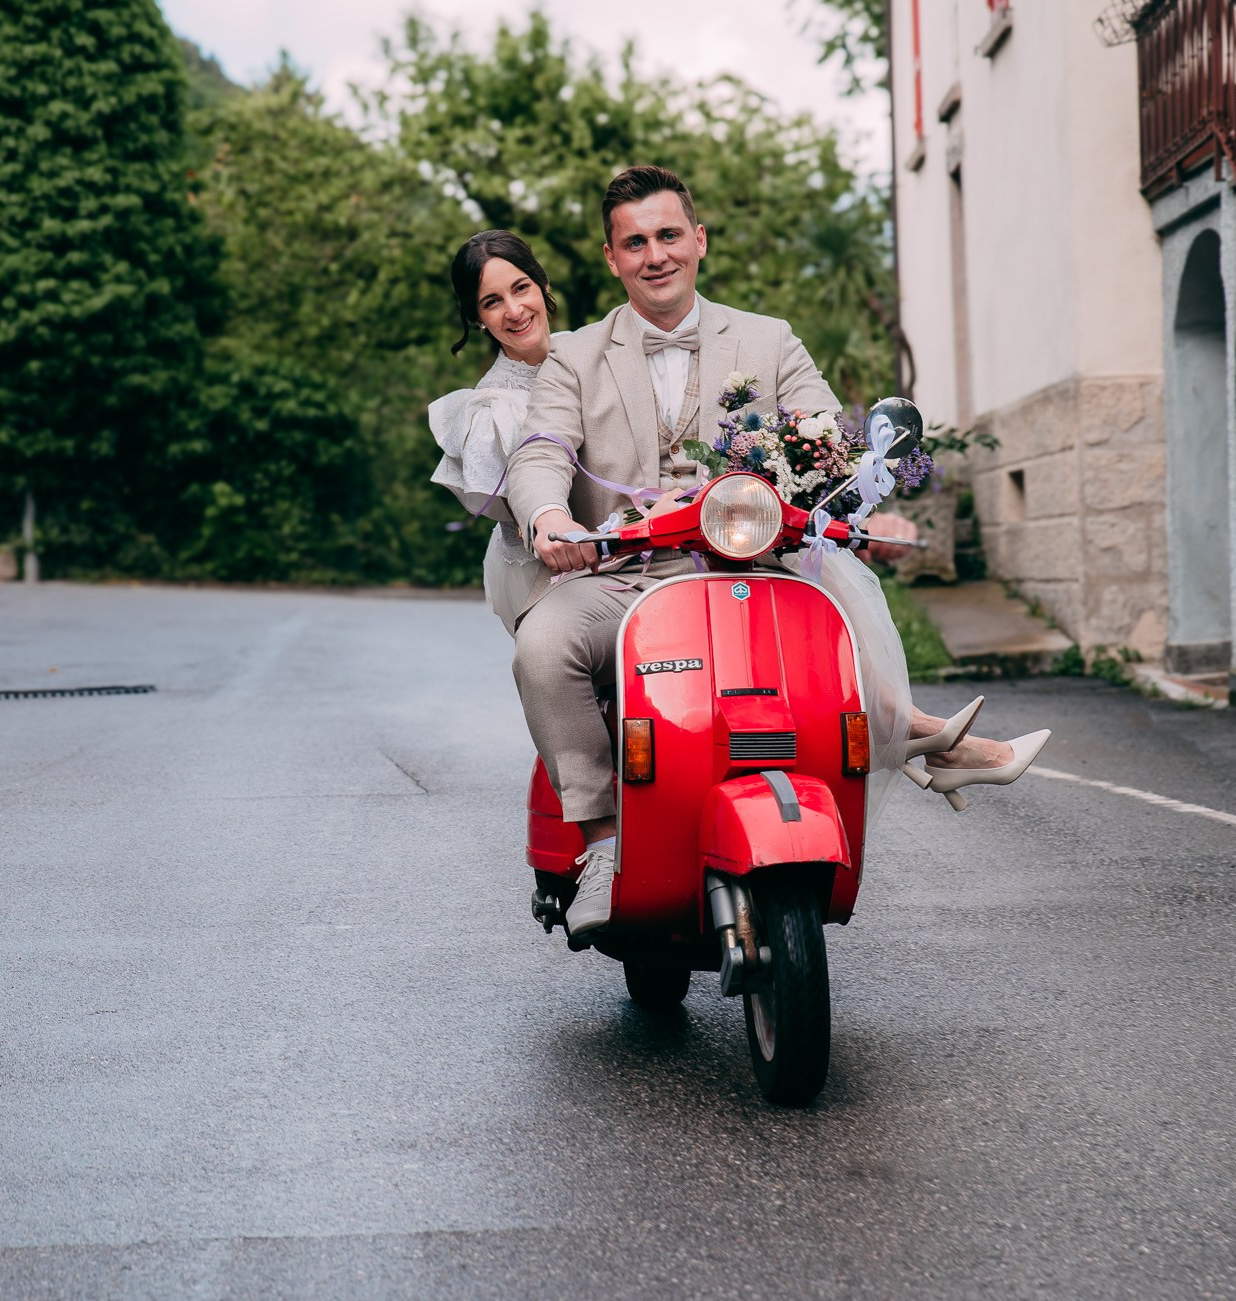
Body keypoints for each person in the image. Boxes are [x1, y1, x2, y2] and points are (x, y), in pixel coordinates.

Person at [502, 167, 1045, 936]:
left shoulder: (767, 338)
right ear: (611, 258)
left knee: (835, 642)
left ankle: (889, 747)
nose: (654, 255)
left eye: (667, 235)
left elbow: (825, 437)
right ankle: (599, 840)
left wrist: (859, 490)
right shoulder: (574, 357)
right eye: (635, 243)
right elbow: (541, 448)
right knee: (543, 642)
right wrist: (550, 515)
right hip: (625, 572)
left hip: (757, 566)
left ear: (699, 240)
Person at [428, 231, 571, 630]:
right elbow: (522, 513)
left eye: (521, 288)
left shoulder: (587, 352)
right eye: (492, 302)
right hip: (540, 569)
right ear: (476, 319)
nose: (514, 310)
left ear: (543, 284)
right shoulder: (492, 411)